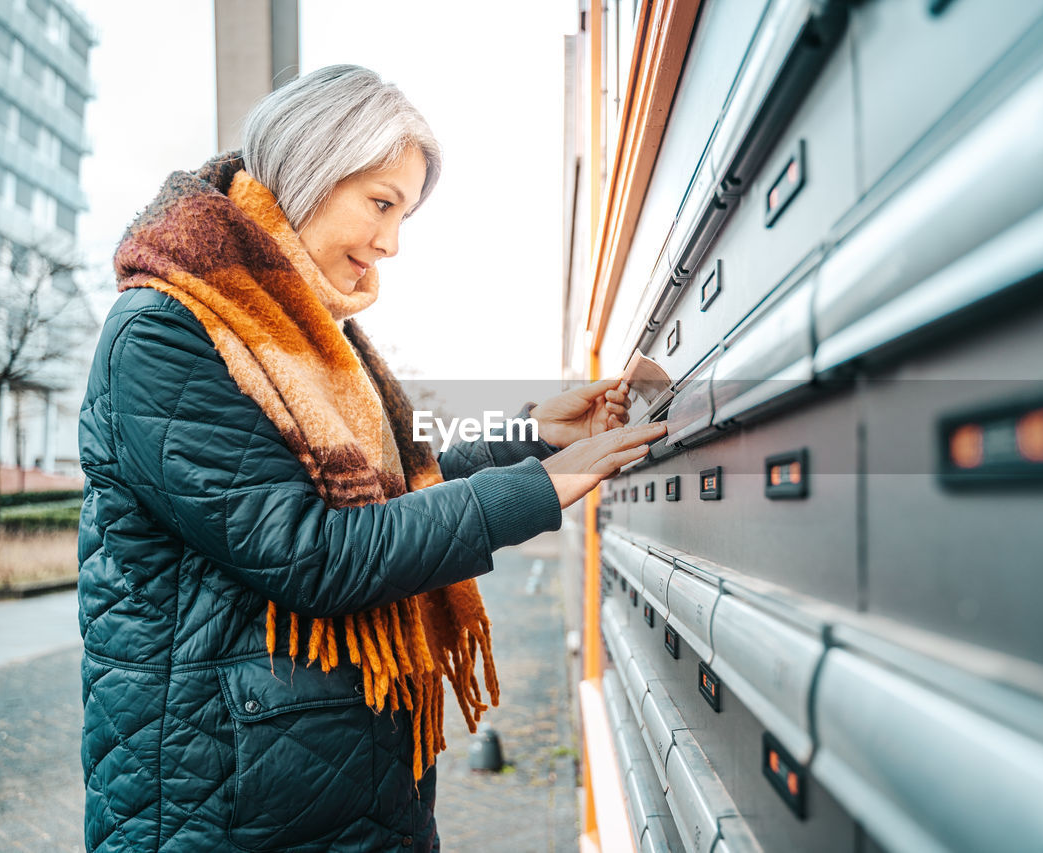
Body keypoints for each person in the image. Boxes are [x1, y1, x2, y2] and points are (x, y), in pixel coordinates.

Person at [77, 64, 664, 852]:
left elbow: (386, 501)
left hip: (328, 793)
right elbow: (316, 552)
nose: (390, 242)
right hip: (220, 810)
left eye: (404, 216)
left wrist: (530, 438)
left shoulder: (308, 337)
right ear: (311, 170)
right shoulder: (166, 334)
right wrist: (543, 488)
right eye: (381, 204)